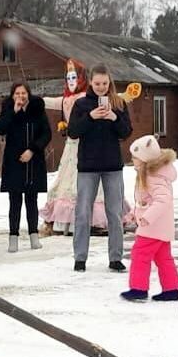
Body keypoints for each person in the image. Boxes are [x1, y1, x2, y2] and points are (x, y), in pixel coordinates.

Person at [69, 64, 132, 273]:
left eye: (105, 83)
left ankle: (115, 258)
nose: (101, 87)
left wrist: (114, 118)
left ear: (109, 82)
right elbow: (72, 132)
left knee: (114, 213)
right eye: (97, 83)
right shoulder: (81, 104)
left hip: (113, 166)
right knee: (83, 213)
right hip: (88, 167)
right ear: (90, 82)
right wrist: (90, 117)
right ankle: (80, 259)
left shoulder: (119, 103)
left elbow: (126, 132)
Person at [121, 135, 178, 302]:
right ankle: (171, 289)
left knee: (140, 254)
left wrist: (147, 218)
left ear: (145, 159)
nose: (132, 159)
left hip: (153, 226)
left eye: (135, 157)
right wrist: (134, 214)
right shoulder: (151, 174)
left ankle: (138, 289)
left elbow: (163, 200)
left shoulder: (153, 176)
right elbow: (145, 201)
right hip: (159, 225)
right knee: (163, 257)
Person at [0, 81, 51, 253]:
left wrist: (33, 149)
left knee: (31, 200)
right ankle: (13, 236)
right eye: (17, 94)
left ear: (29, 94)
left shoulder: (37, 109)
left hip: (33, 160)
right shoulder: (8, 110)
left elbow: (46, 133)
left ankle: (34, 234)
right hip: (14, 162)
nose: (21, 97)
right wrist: (13, 112)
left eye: (23, 93)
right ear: (12, 96)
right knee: (15, 200)